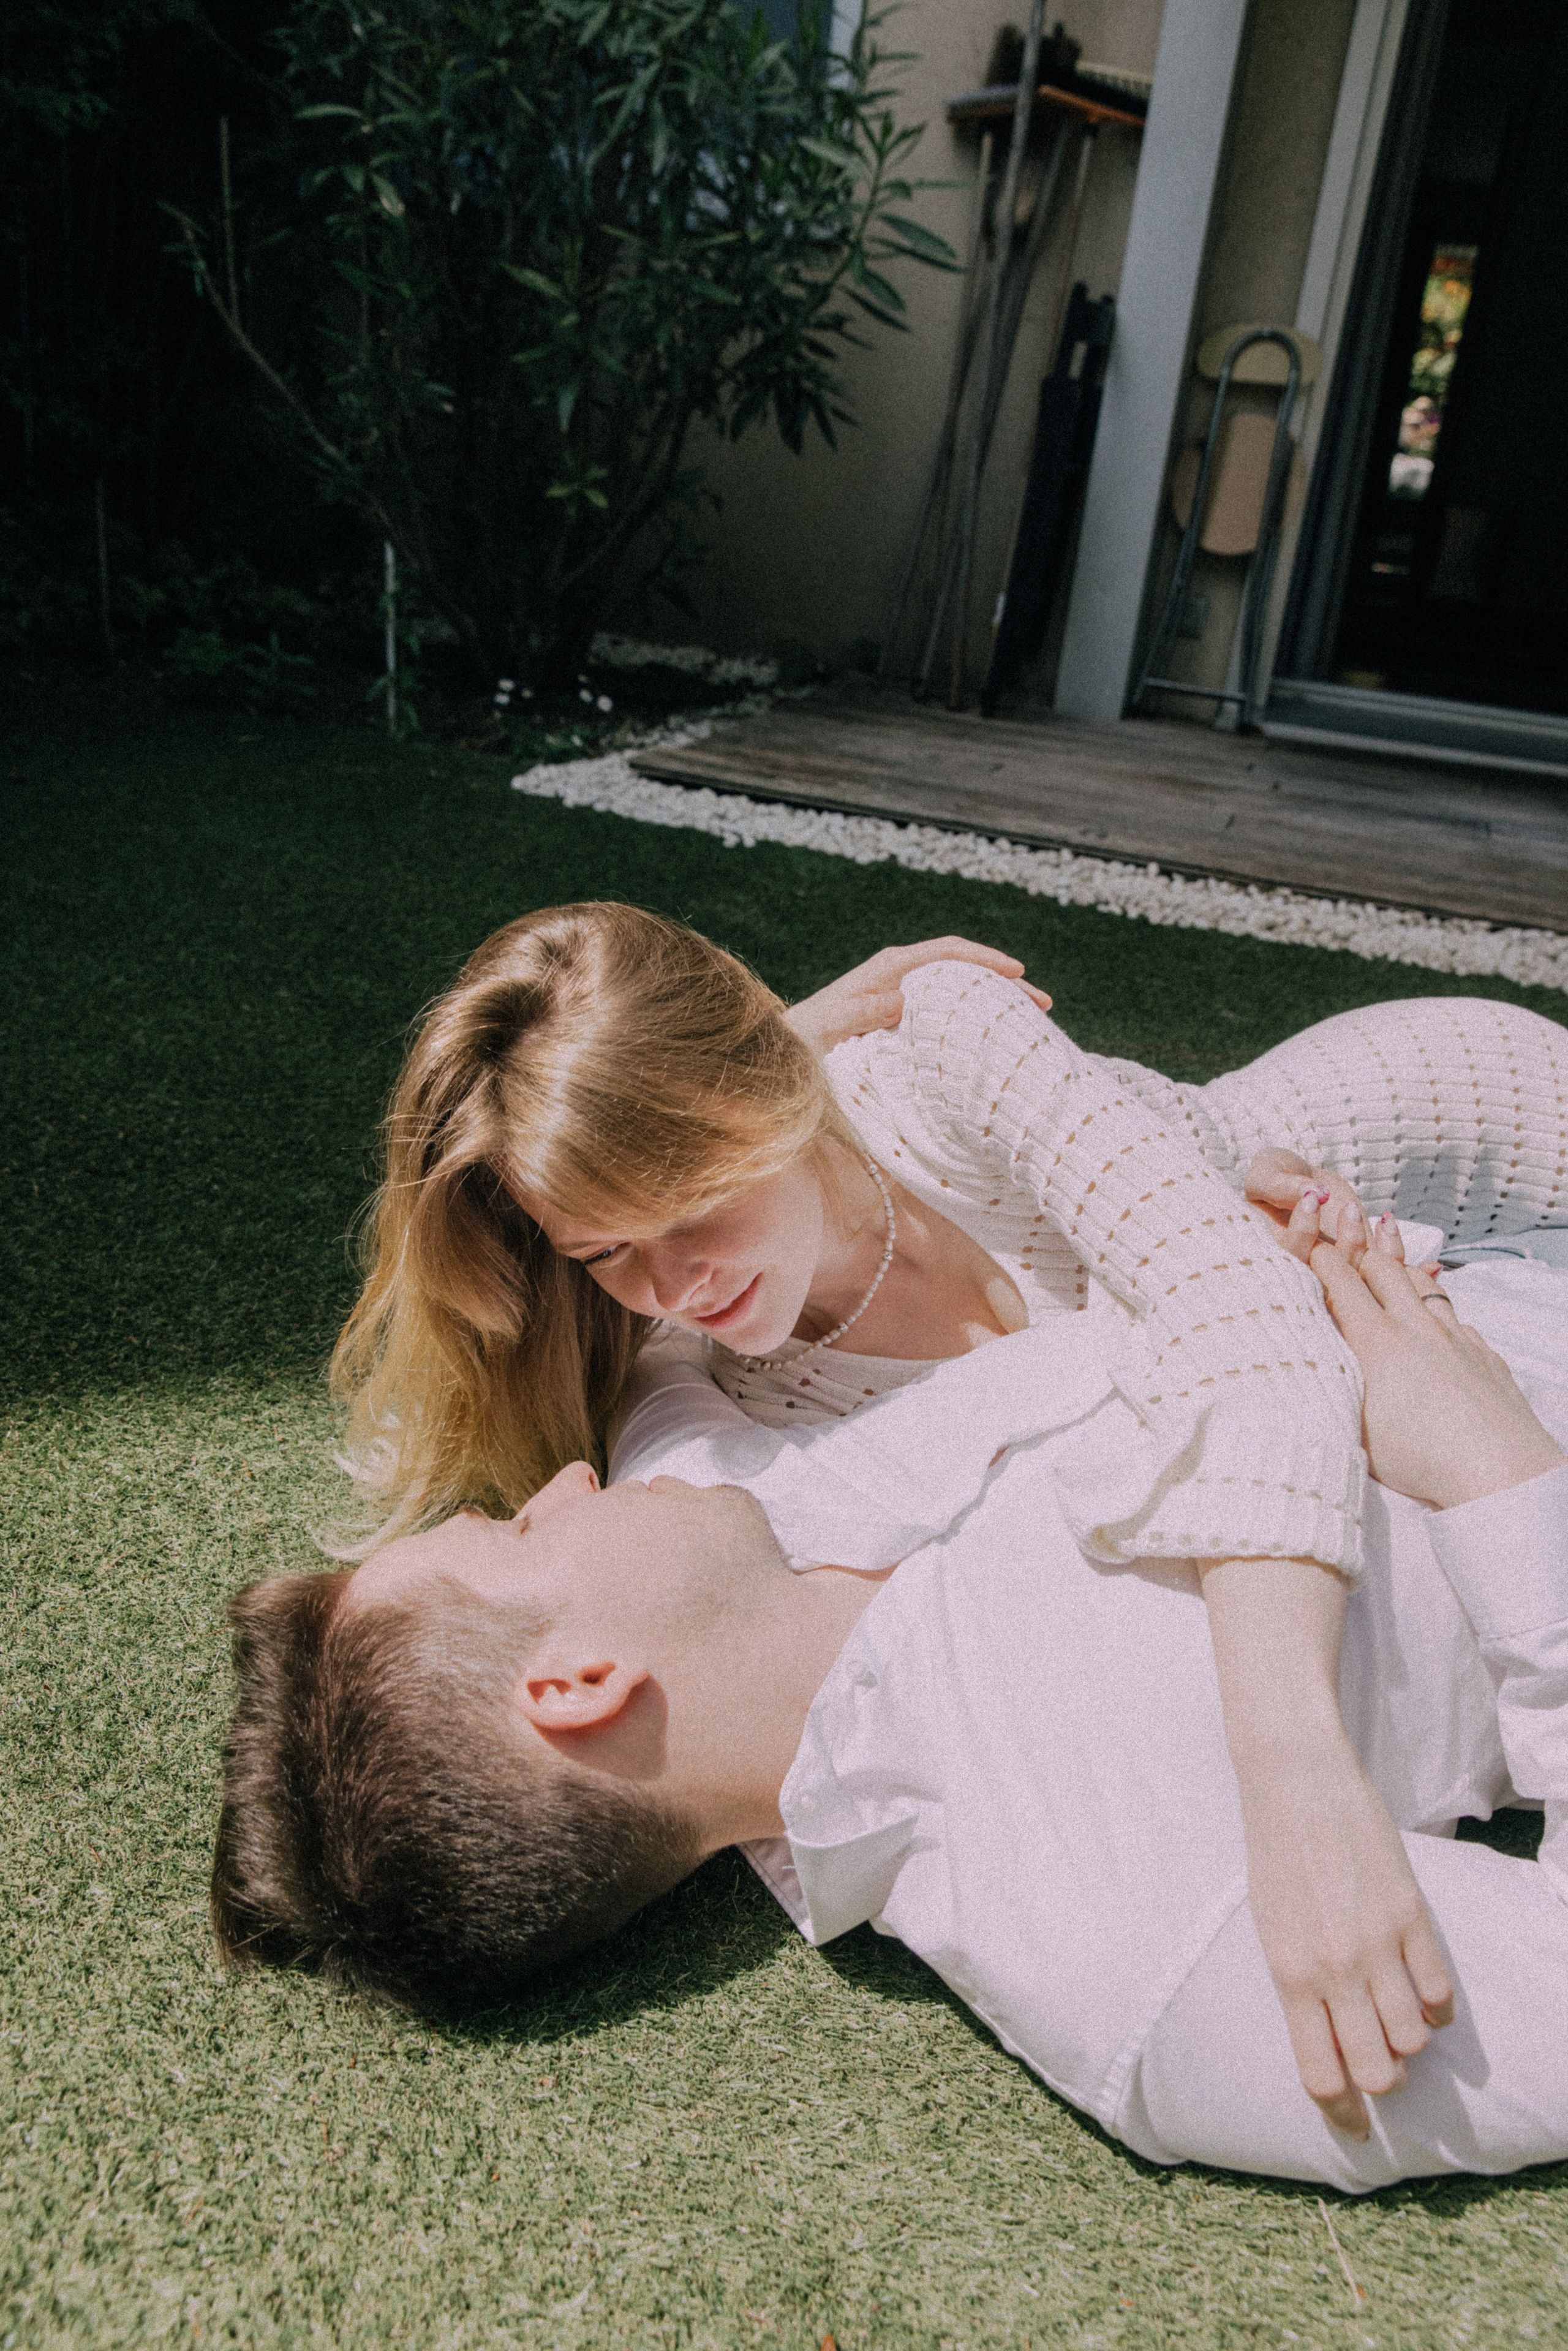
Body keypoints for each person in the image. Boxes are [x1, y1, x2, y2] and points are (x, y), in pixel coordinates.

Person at [323, 902, 1568, 2100]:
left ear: (760, 1074)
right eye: (603, 1253)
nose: (664, 1287)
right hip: (1447, 1301)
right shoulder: (751, 1398)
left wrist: (1292, 1766)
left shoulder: (942, 1043)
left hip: (1473, 1123)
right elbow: (662, 1396)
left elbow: (1256, 1331)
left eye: (687, 1203)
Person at [211, 1220, 1568, 2191]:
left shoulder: (705, 1480)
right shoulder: (1116, 1941)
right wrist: (1505, 1478)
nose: (561, 1485)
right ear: (574, 1685)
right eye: (514, 1535)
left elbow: (645, 1275)